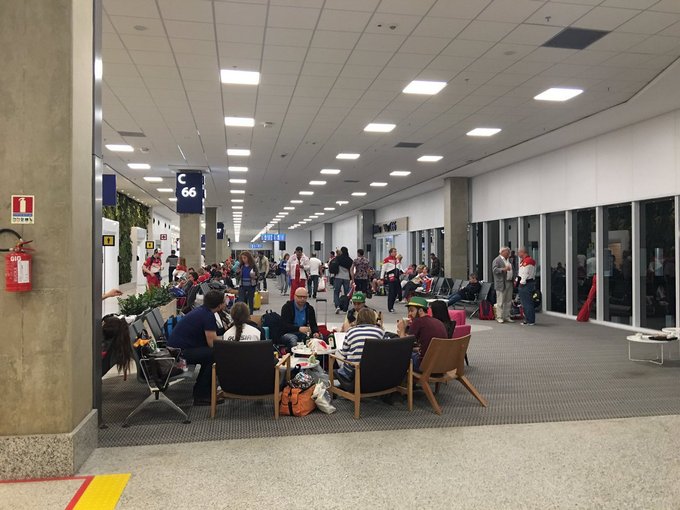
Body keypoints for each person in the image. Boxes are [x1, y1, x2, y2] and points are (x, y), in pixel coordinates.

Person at [167, 290, 226, 406]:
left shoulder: (202, 311)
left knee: (211, 354)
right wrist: (229, 344)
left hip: (176, 350)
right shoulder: (208, 316)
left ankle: (206, 389)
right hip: (179, 355)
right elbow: (212, 344)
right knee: (214, 354)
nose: (226, 304)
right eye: (224, 302)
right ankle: (202, 395)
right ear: (219, 305)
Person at [396, 296, 447, 372]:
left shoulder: (418, 321)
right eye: (408, 311)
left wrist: (402, 329)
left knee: (396, 353)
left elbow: (404, 346)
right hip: (441, 365)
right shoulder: (438, 322)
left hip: (425, 366)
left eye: (411, 311)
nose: (409, 314)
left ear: (420, 310)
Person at [336, 307, 385, 383]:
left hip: (354, 372)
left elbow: (344, 353)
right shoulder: (380, 332)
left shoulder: (351, 331)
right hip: (374, 371)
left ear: (358, 318)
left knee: (337, 352)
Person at [279, 287, 320, 352]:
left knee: (319, 339)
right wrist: (299, 329)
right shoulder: (287, 307)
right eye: (300, 297)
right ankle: (291, 355)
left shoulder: (309, 308)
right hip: (289, 332)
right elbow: (284, 326)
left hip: (305, 333)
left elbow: (313, 324)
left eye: (304, 297)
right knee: (293, 339)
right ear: (295, 296)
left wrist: (315, 332)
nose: (302, 299)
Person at [492, 246, 514, 324]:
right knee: (500, 301)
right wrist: (503, 269)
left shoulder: (509, 260)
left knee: (508, 301)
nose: (508, 254)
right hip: (501, 283)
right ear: (502, 252)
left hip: (509, 282)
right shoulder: (497, 260)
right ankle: (499, 317)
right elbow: (494, 270)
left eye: (509, 252)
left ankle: (507, 316)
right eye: (507, 252)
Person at [517, 247, 537, 326]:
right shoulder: (525, 261)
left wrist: (522, 282)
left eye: (519, 252)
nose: (518, 254)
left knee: (527, 303)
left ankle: (530, 320)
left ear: (523, 252)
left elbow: (525, 273)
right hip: (526, 283)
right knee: (525, 303)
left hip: (526, 283)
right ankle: (528, 319)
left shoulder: (528, 261)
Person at [333, 247, 354, 313]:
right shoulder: (350, 260)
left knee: (336, 292)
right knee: (347, 293)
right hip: (346, 278)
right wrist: (352, 279)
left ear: (341, 251)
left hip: (338, 277)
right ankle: (345, 308)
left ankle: (337, 306)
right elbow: (351, 270)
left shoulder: (338, 258)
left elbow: (334, 266)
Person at [381, 247, 401, 313]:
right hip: (390, 277)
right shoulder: (386, 260)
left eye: (396, 251)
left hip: (397, 277)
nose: (395, 253)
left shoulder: (397, 260)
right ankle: (390, 307)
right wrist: (381, 278)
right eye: (394, 252)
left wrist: (403, 272)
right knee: (391, 292)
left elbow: (399, 267)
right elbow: (383, 269)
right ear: (390, 253)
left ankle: (392, 305)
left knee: (396, 292)